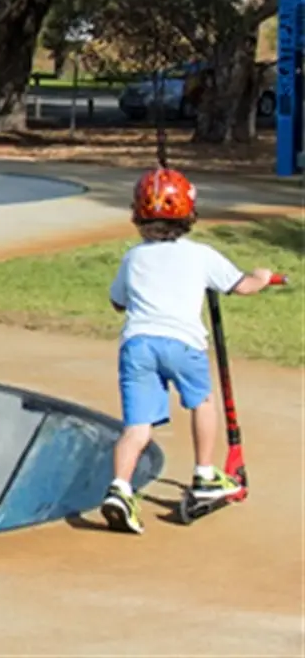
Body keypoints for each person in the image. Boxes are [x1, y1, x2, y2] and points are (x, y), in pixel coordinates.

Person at [98, 166, 279, 534]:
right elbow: (239, 286)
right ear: (188, 215)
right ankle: (204, 474)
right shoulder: (200, 255)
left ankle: (119, 488)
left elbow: (117, 301)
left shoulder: (133, 258)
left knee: (138, 426)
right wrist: (262, 278)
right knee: (201, 402)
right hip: (182, 343)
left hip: (138, 345)